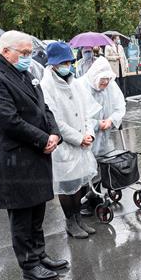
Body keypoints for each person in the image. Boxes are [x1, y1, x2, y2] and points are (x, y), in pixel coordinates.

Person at [0, 30, 67, 280]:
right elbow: (9, 121)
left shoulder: (24, 73)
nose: (28, 57)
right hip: (15, 157)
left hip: (36, 153)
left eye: (30, 52)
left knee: (37, 210)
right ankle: (29, 264)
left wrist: (54, 133)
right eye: (24, 53)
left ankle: (40, 253)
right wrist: (42, 138)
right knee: (22, 215)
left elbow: (43, 108)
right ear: (6, 51)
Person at [40, 42, 99, 239]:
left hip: (82, 143)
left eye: (69, 61)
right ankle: (70, 222)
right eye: (63, 62)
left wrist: (88, 132)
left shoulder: (74, 82)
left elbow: (87, 112)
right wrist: (78, 138)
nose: (67, 65)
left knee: (79, 184)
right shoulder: (46, 86)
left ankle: (78, 219)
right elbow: (54, 120)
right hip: (65, 145)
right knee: (67, 186)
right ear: (54, 63)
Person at [79, 59, 126, 216]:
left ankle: (97, 195)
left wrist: (111, 120)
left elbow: (120, 106)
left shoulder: (110, 85)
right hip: (87, 135)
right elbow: (78, 116)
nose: (105, 83)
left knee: (100, 165)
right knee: (85, 168)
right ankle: (84, 201)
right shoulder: (81, 86)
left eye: (108, 80)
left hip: (104, 134)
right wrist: (96, 124)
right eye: (103, 80)